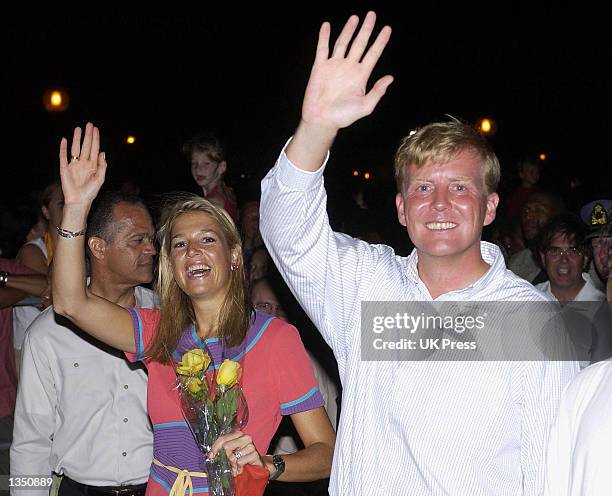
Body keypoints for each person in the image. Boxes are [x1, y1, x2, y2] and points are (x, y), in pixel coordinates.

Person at [260, 12, 578, 495]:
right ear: (402, 208)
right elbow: (288, 232)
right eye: (423, 187)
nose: (441, 203)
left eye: (460, 188)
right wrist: (316, 129)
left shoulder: (530, 320)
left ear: (490, 207)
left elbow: (553, 471)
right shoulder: (366, 286)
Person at [51, 124, 335, 496]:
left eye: (207, 239)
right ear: (171, 265)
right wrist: (75, 209)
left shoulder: (275, 339)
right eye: (180, 244)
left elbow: (327, 453)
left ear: (234, 256)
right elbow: (70, 303)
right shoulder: (157, 332)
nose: (192, 251)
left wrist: (269, 464)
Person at [11, 190, 159, 496]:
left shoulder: (168, 321)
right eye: (138, 240)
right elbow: (30, 440)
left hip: (161, 487)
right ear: (98, 248)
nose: (151, 250)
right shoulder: (49, 331)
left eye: (152, 239)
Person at [508, 191, 563, 283]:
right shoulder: (518, 261)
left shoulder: (574, 258)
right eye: (526, 210)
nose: (528, 216)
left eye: (538, 210)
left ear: (557, 215)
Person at [183, 133, 239, 223]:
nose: (198, 169)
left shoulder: (213, 202)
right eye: (194, 163)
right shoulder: (226, 193)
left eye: (206, 163)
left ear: (221, 167)